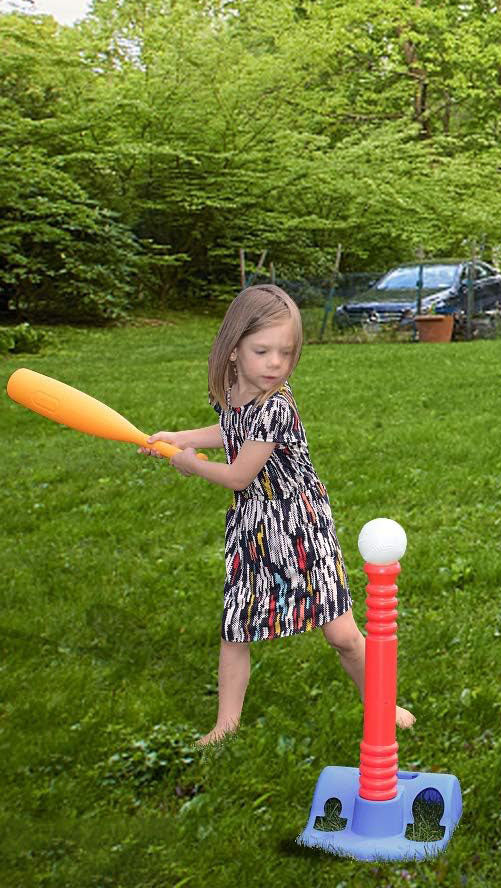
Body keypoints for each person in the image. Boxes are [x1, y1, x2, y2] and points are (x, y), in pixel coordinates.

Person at [142, 282, 416, 746]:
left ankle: (384, 706)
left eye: (285, 353)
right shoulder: (232, 393)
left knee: (342, 633)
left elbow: (238, 476)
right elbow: (230, 430)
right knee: (236, 628)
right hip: (253, 527)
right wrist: (184, 436)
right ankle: (226, 725)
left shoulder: (276, 407)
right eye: (262, 350)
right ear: (232, 351)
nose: (274, 363)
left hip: (298, 525)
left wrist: (188, 464)